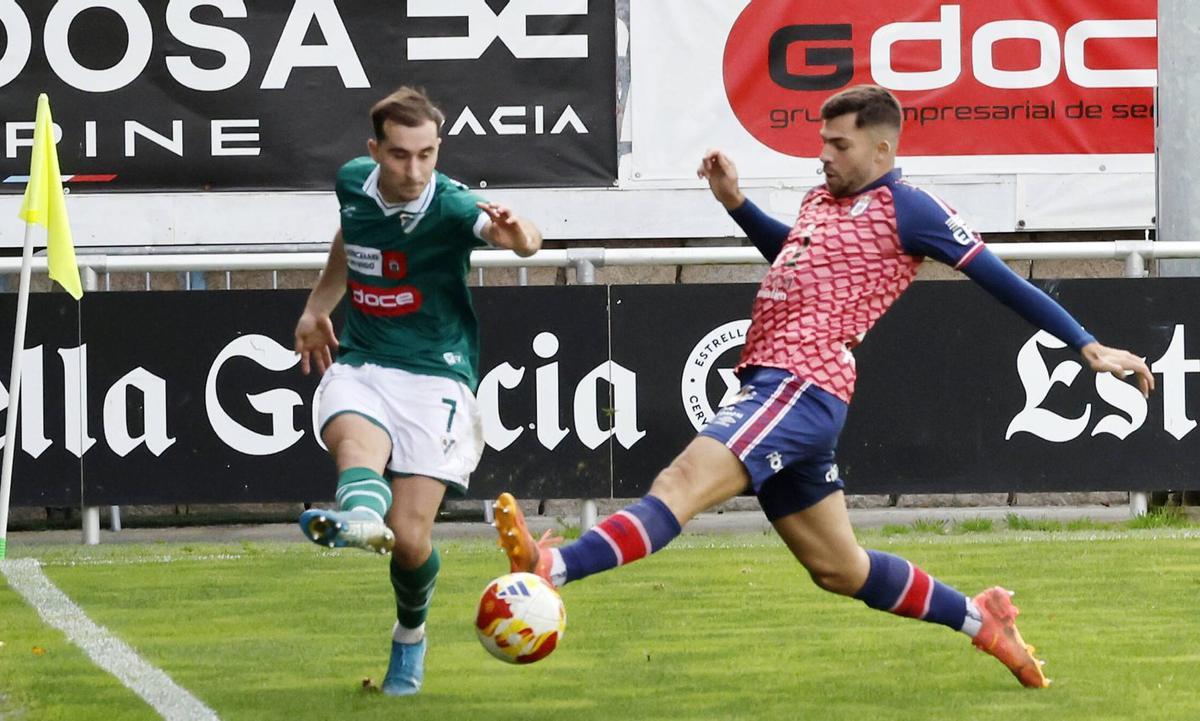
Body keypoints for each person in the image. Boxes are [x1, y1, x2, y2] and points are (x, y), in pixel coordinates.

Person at [493, 85, 1153, 689]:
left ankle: (554, 569)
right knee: (841, 568)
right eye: (822, 141)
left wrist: (1087, 344)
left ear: (882, 147)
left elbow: (999, 276)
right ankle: (983, 621)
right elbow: (795, 255)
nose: (824, 155)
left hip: (799, 380)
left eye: (839, 144)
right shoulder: (822, 201)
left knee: (681, 483)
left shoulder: (910, 207)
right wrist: (737, 204)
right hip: (782, 384)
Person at [294, 86, 542, 696]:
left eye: (427, 154)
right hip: (366, 360)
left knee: (410, 541)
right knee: (353, 437)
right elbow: (350, 241)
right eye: (401, 155)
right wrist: (316, 307)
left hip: (437, 376)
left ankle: (409, 637)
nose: (415, 170)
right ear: (374, 150)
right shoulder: (354, 182)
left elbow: (525, 241)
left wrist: (517, 233)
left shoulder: (454, 207)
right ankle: (357, 517)